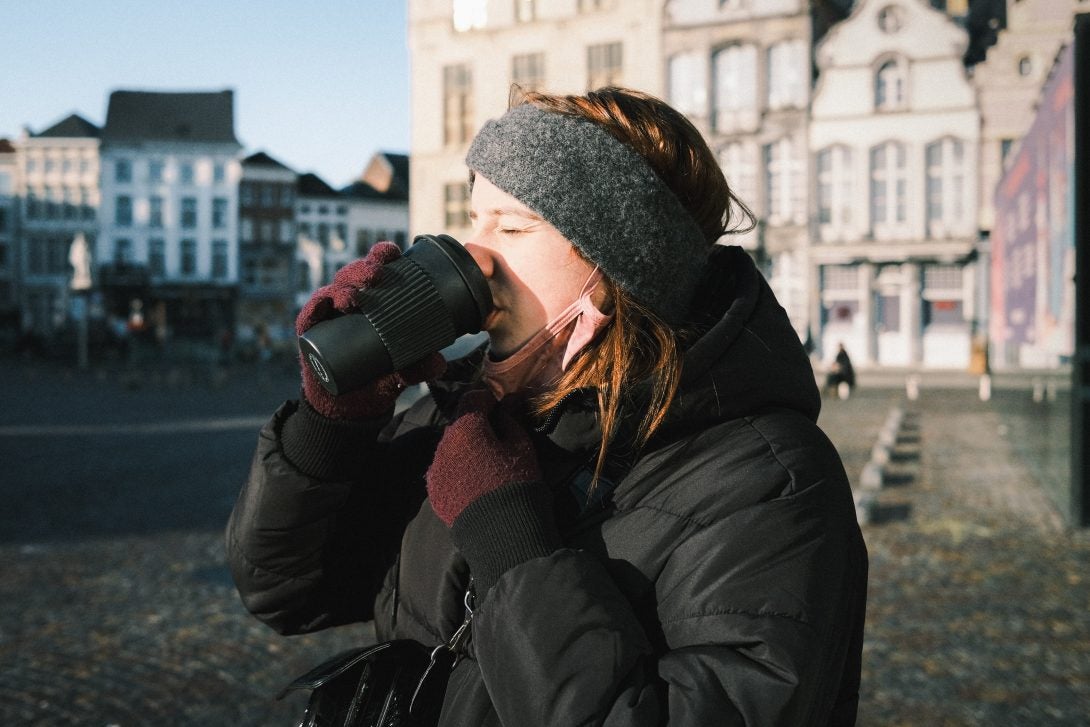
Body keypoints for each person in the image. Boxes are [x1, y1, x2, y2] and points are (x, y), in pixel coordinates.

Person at [226, 87, 867, 725]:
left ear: (618, 267)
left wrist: (510, 539)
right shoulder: (470, 417)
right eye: (474, 220)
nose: (474, 255)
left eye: (511, 226)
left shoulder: (769, 480)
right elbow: (285, 591)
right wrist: (334, 427)